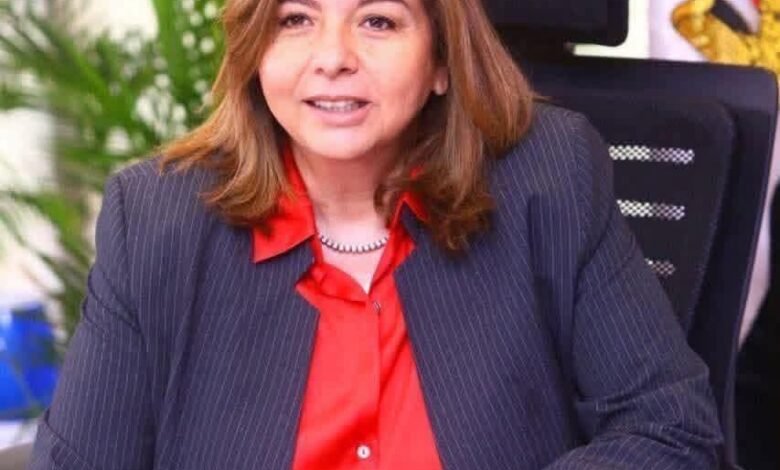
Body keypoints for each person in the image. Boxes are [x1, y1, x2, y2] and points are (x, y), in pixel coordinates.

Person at [29, 0, 724, 468]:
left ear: (442, 60)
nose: (332, 56)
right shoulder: (156, 219)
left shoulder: (549, 176)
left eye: (379, 21)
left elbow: (668, 427)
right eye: (296, 18)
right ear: (255, 51)